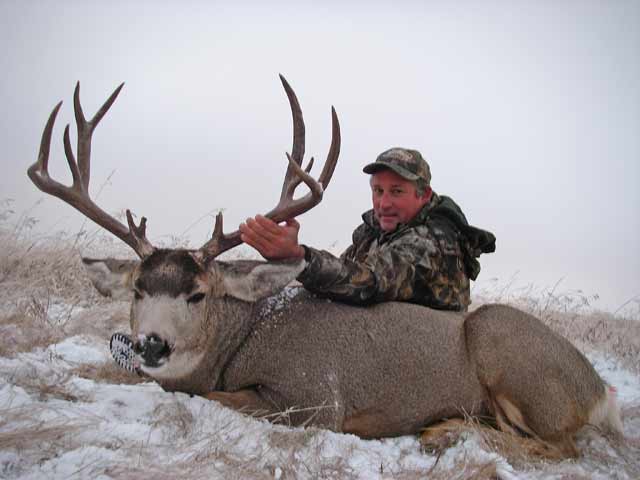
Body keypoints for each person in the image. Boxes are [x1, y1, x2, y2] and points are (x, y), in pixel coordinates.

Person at [239, 147, 495, 312]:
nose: (384, 203)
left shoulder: (430, 243)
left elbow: (369, 282)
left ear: (423, 195)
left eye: (396, 191)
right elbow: (340, 276)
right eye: (378, 191)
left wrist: (300, 258)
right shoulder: (373, 233)